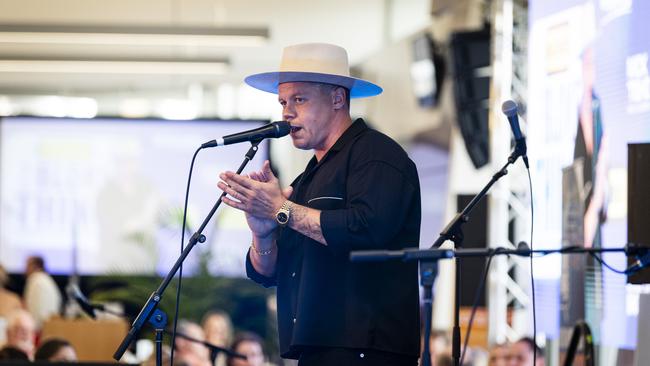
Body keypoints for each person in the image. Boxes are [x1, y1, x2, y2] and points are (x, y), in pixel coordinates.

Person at [218, 43, 421, 365]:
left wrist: (280, 210)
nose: (286, 112)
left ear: (338, 98)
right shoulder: (307, 179)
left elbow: (366, 230)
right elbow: (269, 274)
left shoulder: (377, 156)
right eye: (284, 101)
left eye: (299, 99)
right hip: (315, 346)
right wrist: (263, 231)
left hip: (365, 349)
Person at [23, 256, 62, 328]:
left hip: (37, 327)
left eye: (27, 265)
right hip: (50, 325)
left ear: (35, 266)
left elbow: (30, 307)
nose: (25, 269)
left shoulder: (34, 279)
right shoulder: (47, 279)